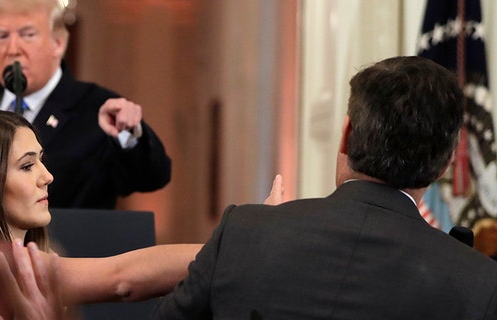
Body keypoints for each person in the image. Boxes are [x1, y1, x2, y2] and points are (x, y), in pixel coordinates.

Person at [150, 56, 497, 319]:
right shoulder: (479, 283)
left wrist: (266, 234)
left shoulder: (243, 232)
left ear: (345, 135)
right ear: (447, 161)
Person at [0, 109, 197, 319]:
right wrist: (229, 249)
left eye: (42, 160)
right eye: (27, 166)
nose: (48, 177)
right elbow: (122, 279)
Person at [0, 0, 171, 209]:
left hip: (67, 259)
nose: (13, 48)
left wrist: (129, 134)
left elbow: (151, 177)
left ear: (58, 44)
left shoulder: (97, 108)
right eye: (1, 35)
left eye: (28, 34)